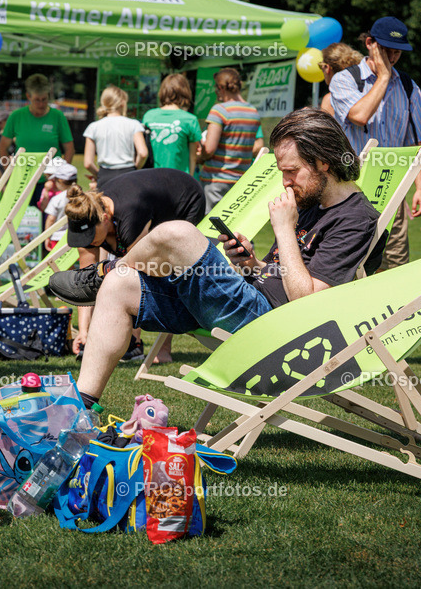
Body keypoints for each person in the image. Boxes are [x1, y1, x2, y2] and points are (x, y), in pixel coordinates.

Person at [49, 109, 385, 404]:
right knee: (121, 285)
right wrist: (251, 264)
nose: (285, 182)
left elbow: (307, 303)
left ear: (323, 162)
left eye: (291, 171)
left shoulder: (355, 219)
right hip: (250, 299)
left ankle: (103, 271)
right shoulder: (312, 200)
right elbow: (283, 273)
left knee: (178, 233)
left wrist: (284, 229)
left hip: (275, 330)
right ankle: (83, 405)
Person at [52, 167, 207, 363]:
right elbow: (84, 282)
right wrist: (84, 332)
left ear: (105, 219)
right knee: (117, 267)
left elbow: (139, 277)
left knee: (166, 271)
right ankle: (131, 342)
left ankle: (157, 348)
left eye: (90, 236)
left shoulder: (130, 217)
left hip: (184, 197)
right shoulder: (88, 216)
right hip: (149, 200)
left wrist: (132, 340)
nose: (88, 242)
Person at [329, 17, 421, 272]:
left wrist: (420, 188)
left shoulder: (409, 87)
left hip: (392, 190)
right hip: (351, 191)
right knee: (350, 267)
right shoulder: (344, 80)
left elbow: (417, 142)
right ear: (370, 44)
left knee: (395, 267)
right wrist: (384, 77)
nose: (393, 57)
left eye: (398, 51)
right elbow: (359, 116)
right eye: (387, 50)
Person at [199, 68, 264, 212]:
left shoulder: (219, 110)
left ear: (221, 87)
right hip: (241, 181)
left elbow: (209, 149)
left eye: (216, 88)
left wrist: (200, 156)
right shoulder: (253, 112)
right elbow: (256, 145)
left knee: (209, 223)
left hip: (216, 181)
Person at [0, 74, 75, 164]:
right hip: (23, 172)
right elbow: (3, 148)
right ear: (28, 96)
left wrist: (63, 170)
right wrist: (8, 171)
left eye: (44, 99)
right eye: (37, 100)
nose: (41, 104)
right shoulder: (16, 116)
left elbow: (69, 149)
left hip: (51, 172)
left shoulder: (58, 116)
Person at [83, 86, 149, 186]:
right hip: (128, 173)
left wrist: (98, 175)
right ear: (122, 103)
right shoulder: (134, 124)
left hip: (105, 175)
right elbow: (143, 153)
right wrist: (136, 168)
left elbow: (88, 163)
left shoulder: (93, 127)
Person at [141, 73, 201, 176]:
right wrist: (190, 179)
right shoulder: (190, 119)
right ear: (185, 92)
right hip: (178, 177)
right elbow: (193, 157)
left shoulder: (149, 116)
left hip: (151, 176)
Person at [318, 43, 364, 116]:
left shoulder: (329, 99)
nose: (322, 69)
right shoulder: (366, 86)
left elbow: (325, 124)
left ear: (328, 68)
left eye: (321, 66)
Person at [42, 162, 78, 250]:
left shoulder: (57, 199)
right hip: (76, 236)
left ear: (60, 181)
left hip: (58, 238)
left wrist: (47, 237)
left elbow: (51, 219)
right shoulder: (82, 196)